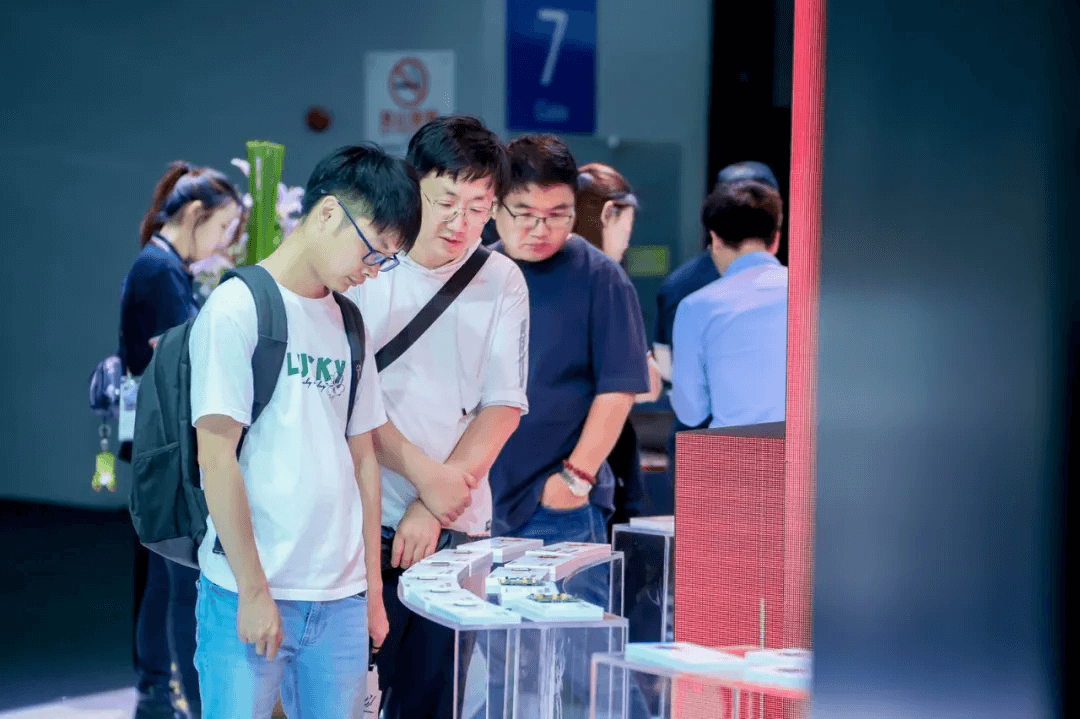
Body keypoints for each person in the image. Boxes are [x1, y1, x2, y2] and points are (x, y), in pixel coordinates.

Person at [188, 145, 421, 718]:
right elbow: (215, 457)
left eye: (387, 260)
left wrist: (370, 592)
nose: (372, 270)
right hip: (250, 589)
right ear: (328, 213)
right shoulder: (237, 307)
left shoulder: (350, 321)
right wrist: (252, 590)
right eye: (373, 250)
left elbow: (363, 459)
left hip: (340, 601)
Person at [347, 116, 529, 719]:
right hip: (359, 523)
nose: (460, 222)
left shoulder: (501, 279)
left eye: (478, 207)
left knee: (434, 701)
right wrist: (425, 480)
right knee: (349, 696)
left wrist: (432, 505)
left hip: (455, 529)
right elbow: (349, 398)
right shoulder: (367, 266)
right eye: (446, 202)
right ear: (412, 186)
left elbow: (503, 404)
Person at [120, 161, 243, 719]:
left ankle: (157, 684)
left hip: (163, 439)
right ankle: (187, 697)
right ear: (194, 214)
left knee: (163, 572)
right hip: (170, 442)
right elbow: (181, 358)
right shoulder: (160, 270)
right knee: (180, 574)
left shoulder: (160, 265)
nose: (221, 243)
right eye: (221, 228)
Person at [489, 134, 649, 558]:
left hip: (558, 509)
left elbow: (618, 389)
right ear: (494, 206)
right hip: (478, 503)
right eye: (525, 213)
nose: (541, 229)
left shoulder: (600, 277)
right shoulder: (478, 273)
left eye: (558, 214)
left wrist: (574, 480)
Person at [573, 163, 660, 525]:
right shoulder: (611, 284)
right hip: (599, 464)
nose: (627, 239)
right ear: (609, 213)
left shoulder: (524, 276)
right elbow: (648, 384)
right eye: (628, 226)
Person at [670, 179, 787, 429]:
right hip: (812, 449)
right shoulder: (816, 293)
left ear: (715, 240)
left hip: (735, 449)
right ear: (776, 239)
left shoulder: (696, 307)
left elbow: (691, 412)